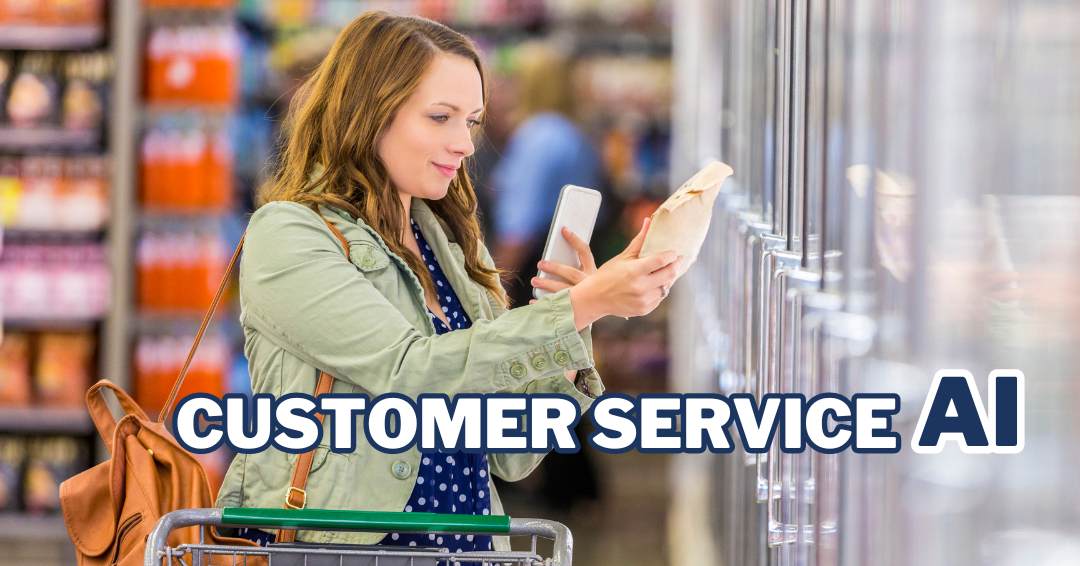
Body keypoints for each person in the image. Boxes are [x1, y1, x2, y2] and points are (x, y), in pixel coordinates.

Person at [215, 11, 682, 555]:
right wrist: (575, 308)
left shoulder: (452, 244)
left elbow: (511, 455)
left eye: (473, 121)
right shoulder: (290, 233)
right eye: (440, 117)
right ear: (368, 114)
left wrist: (573, 328)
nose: (464, 143)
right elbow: (407, 374)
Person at [491, 41, 604, 309]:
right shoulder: (573, 134)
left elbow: (517, 228)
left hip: (531, 274)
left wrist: (491, 293)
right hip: (564, 272)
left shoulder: (539, 136)